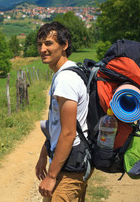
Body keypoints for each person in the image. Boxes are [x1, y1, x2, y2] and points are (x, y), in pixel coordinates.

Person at [35, 21, 92, 202]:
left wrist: (51, 177)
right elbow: (57, 124)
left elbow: (68, 133)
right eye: (40, 44)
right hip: (69, 163)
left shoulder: (66, 79)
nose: (43, 49)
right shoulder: (64, 74)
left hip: (69, 168)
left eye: (49, 43)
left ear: (64, 45)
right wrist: (44, 154)